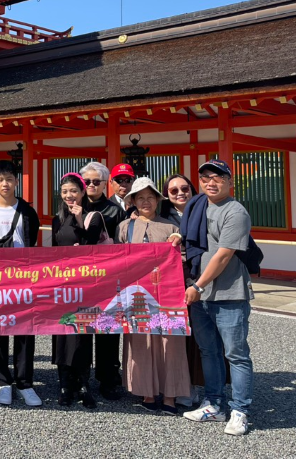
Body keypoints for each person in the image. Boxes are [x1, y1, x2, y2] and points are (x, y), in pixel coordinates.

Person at [183, 159, 254, 436]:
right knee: (208, 351)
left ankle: (240, 410)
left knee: (236, 354)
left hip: (229, 293)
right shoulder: (198, 206)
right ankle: (213, 404)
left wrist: (198, 286)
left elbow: (223, 255)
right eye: (205, 178)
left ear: (230, 181)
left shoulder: (235, 212)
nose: (210, 182)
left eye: (218, 177)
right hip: (201, 295)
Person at [117, 177, 190, 415]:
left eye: (150, 197)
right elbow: (117, 259)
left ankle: (170, 395)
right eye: (140, 198)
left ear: (158, 200)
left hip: (167, 293)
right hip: (136, 293)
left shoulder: (171, 228)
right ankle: (146, 391)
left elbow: (183, 260)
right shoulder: (125, 227)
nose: (146, 202)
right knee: (142, 341)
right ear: (133, 201)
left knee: (171, 343)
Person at [0, 160, 42, 407]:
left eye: (9, 179)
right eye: (0, 179)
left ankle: (25, 382)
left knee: (25, 329)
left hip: (23, 276)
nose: (5, 184)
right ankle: (2, 380)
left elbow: (32, 239)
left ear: (16, 181)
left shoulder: (27, 211)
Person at [51, 172, 103, 409]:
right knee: (62, 332)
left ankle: (83, 383)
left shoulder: (94, 217)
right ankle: (64, 384)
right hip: (64, 283)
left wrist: (80, 220)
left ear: (83, 192)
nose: (69, 195)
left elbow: (91, 247)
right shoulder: (57, 219)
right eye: (64, 192)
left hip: (86, 284)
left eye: (73, 191)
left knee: (82, 333)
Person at [80, 161, 126, 400]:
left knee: (108, 329)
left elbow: (122, 244)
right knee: (81, 328)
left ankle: (108, 378)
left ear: (104, 183)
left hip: (107, 276)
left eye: (96, 181)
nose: (91, 185)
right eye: (86, 181)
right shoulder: (74, 205)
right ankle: (81, 378)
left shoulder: (115, 210)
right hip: (80, 277)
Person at [159, 173, 206, 407]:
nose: (180, 193)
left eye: (185, 188)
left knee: (202, 336)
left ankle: (202, 385)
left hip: (203, 278)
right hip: (173, 282)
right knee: (178, 335)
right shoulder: (162, 217)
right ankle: (180, 385)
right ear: (166, 195)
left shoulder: (205, 209)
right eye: (173, 190)